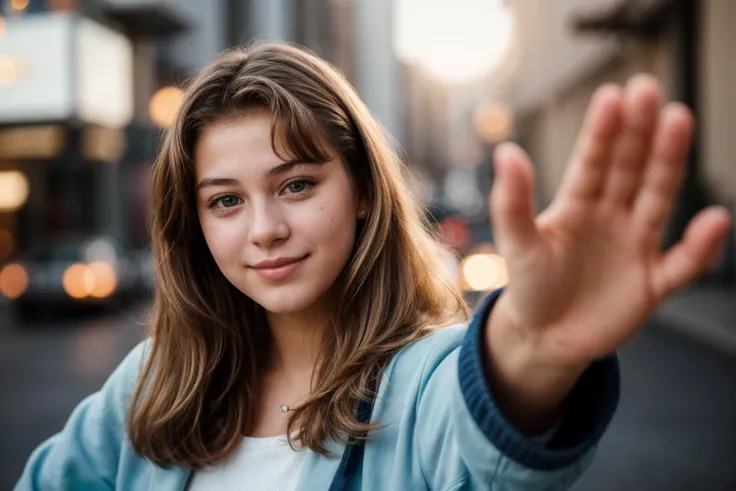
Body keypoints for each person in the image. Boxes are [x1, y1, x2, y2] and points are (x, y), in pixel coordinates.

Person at [15, 43, 732, 491]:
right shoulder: (146, 385)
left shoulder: (421, 383)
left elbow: (478, 440)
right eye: (226, 200)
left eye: (296, 184)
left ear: (360, 189)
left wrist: (533, 351)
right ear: (194, 223)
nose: (265, 229)